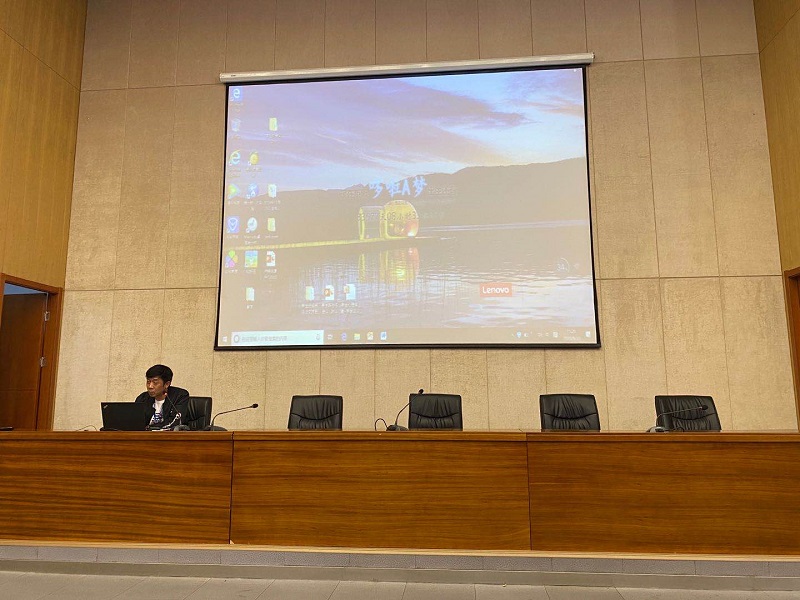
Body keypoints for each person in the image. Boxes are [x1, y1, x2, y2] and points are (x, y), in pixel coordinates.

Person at [135, 364, 190, 429]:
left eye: (155, 383)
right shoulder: (142, 398)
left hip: (169, 434)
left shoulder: (179, 396)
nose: (150, 386)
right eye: (148, 382)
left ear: (167, 384)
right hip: (145, 435)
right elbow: (135, 422)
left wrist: (150, 428)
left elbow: (176, 422)